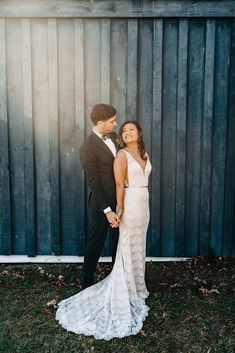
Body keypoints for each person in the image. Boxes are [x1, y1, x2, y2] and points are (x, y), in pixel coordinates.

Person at [55, 120, 152, 340]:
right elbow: (110, 183)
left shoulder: (139, 152)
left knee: (135, 244)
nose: (124, 130)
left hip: (142, 204)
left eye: (130, 129)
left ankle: (136, 284)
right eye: (119, 126)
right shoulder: (111, 152)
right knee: (105, 244)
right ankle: (91, 284)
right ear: (101, 122)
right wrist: (116, 209)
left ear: (140, 132)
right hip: (117, 204)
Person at [79, 103, 120, 289]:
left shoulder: (113, 136)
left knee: (118, 242)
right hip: (101, 204)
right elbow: (93, 182)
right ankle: (86, 283)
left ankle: (117, 280)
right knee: (96, 242)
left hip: (120, 199)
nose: (115, 124)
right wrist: (108, 210)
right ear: (100, 123)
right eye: (112, 121)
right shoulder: (87, 148)